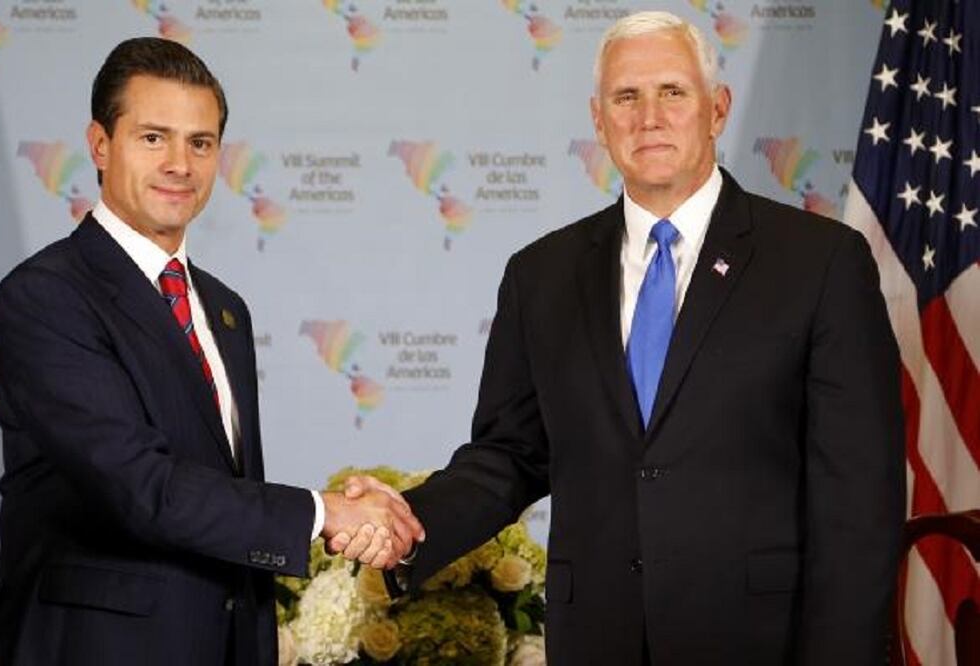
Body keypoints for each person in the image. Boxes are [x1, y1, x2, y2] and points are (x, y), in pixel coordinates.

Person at [343, 10, 904, 665]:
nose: (649, 117)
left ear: (717, 109)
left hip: (760, 644)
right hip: (597, 641)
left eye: (673, 92)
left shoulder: (820, 262)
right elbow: (510, 457)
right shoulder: (540, 276)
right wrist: (409, 521)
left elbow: (858, 500)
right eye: (626, 97)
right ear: (598, 120)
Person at [0, 37, 421, 666]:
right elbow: (142, 488)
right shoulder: (45, 296)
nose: (180, 164)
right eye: (153, 138)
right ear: (101, 145)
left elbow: (222, 490)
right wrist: (326, 515)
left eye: (200, 142)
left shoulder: (224, 308)